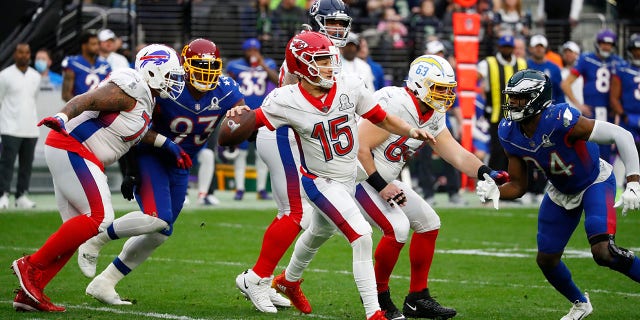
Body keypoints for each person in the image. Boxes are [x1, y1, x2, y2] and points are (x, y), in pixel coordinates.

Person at [226, 31, 436, 320]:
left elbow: (382, 118)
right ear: (301, 66)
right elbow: (251, 125)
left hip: (348, 177)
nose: (329, 67)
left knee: (318, 230)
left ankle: (288, 280)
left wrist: (410, 130)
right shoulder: (285, 99)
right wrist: (235, 124)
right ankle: (374, 312)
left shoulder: (349, 85)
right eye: (321, 61)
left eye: (329, 60)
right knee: (361, 235)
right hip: (320, 181)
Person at [10, 43, 187, 312]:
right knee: (100, 218)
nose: (175, 81)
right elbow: (89, 100)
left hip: (77, 153)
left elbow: (135, 132)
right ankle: (30, 266)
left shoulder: (145, 99)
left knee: (77, 229)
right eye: (171, 74)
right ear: (152, 70)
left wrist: (168, 145)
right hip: (72, 146)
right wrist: (62, 115)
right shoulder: (132, 84)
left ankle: (30, 292)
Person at [77, 39, 245, 305]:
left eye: (211, 66)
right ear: (184, 66)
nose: (206, 72)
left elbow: (241, 112)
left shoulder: (226, 89)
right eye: (200, 65)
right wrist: (130, 170)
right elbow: (135, 127)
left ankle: (105, 282)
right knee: (157, 218)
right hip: (151, 155)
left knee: (160, 231)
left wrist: (240, 117)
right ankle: (96, 239)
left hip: (181, 163)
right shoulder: (167, 87)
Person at [476, 69, 640, 320]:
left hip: (593, 180)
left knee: (604, 252)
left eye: (520, 98)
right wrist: (495, 192)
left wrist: (633, 183)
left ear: (538, 98)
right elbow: (519, 185)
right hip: (560, 190)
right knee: (547, 259)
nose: (513, 104)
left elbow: (622, 135)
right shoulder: (509, 131)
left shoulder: (561, 119)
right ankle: (580, 303)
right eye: (512, 97)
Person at [355, 55, 508, 319]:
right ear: (418, 84)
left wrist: (486, 172)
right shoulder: (397, 104)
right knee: (397, 228)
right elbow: (359, 148)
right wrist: (381, 185)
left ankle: (417, 298)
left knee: (429, 223)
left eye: (448, 89)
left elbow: (455, 153)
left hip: (385, 180)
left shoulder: (432, 112)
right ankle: (378, 297)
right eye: (439, 88)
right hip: (358, 179)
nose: (445, 95)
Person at [234, 0, 355, 314]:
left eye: (342, 23)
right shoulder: (306, 48)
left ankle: (265, 278)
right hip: (284, 134)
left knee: (290, 213)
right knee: (295, 214)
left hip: (295, 137)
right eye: (332, 22)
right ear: (316, 20)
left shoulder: (326, 49)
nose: (338, 29)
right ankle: (257, 278)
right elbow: (291, 100)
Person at [226, 38, 279, 200]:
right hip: (242, 114)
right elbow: (227, 84)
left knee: (261, 154)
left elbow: (278, 81)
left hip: (261, 114)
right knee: (240, 153)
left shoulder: (268, 63)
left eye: (255, 50)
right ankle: (240, 188)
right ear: (244, 51)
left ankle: (261, 189)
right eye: (249, 50)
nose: (252, 53)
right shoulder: (235, 65)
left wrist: (261, 64)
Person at [561, 29, 624, 164]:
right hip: (591, 110)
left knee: (608, 150)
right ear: (598, 43)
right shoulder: (586, 59)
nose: (606, 47)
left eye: (609, 44)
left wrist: (619, 108)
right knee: (589, 149)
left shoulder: (618, 62)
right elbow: (566, 84)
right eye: (603, 43)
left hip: (609, 111)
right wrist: (579, 105)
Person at [477, 34, 527, 172]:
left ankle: (517, 182)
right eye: (504, 47)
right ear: (499, 47)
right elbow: (473, 78)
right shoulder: (488, 63)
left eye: (509, 47)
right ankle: (495, 181)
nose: (507, 50)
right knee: (498, 150)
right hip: (496, 115)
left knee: (518, 150)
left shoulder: (521, 63)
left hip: (519, 115)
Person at [0, 43, 41, 210]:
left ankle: (22, 195)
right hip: (9, 128)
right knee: (6, 164)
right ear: (15, 54)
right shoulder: (4, 75)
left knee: (26, 165)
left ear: (30, 55)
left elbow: (33, 99)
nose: (24, 56)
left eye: (26, 53)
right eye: (20, 53)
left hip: (30, 129)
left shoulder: (35, 76)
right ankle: (3, 195)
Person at [610, 33, 640, 155]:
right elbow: (613, 98)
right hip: (629, 116)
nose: (638, 53)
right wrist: (624, 115)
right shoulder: (622, 70)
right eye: (635, 50)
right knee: (625, 154)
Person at [61, 30, 111, 102]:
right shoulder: (73, 63)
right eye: (93, 44)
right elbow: (66, 94)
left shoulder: (105, 65)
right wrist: (80, 108)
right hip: (79, 110)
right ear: (84, 46)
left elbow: (109, 91)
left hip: (100, 108)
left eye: (98, 44)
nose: (97, 47)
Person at [560, 41, 583, 110]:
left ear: (577, 54)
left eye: (570, 52)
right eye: (565, 52)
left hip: (583, 112)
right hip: (565, 111)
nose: (568, 54)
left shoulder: (583, 72)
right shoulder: (559, 72)